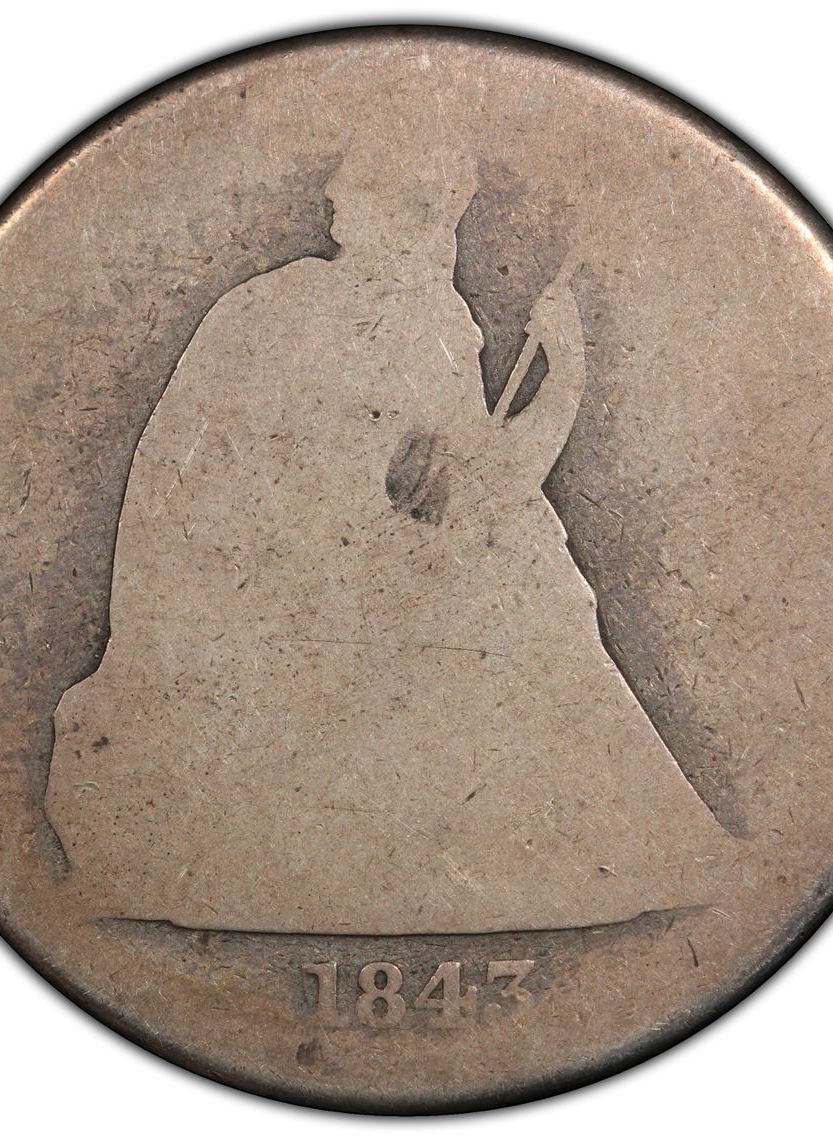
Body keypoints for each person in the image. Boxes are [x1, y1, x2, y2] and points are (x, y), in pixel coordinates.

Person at [45, 134, 737, 934]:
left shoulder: (320, 305)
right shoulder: (351, 316)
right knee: (527, 577)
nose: (449, 242)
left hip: (298, 598)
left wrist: (552, 386)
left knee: (525, 563)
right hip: (275, 624)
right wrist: (565, 378)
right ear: (407, 219)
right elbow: (455, 504)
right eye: (440, 220)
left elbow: (449, 497)